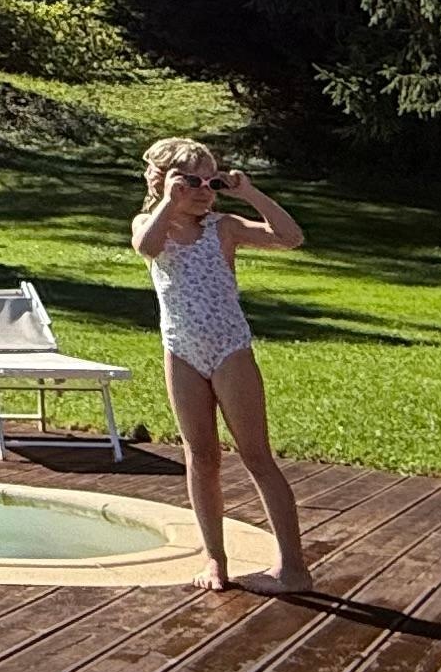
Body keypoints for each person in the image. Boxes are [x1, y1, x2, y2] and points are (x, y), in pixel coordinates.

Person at [131, 134, 313, 594]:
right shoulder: (151, 223)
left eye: (211, 182)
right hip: (181, 351)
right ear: (163, 181)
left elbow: (291, 238)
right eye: (191, 181)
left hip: (230, 349)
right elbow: (147, 247)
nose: (203, 191)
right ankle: (215, 560)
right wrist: (167, 203)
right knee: (201, 457)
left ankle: (293, 568)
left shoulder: (223, 227)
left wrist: (248, 192)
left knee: (256, 455)